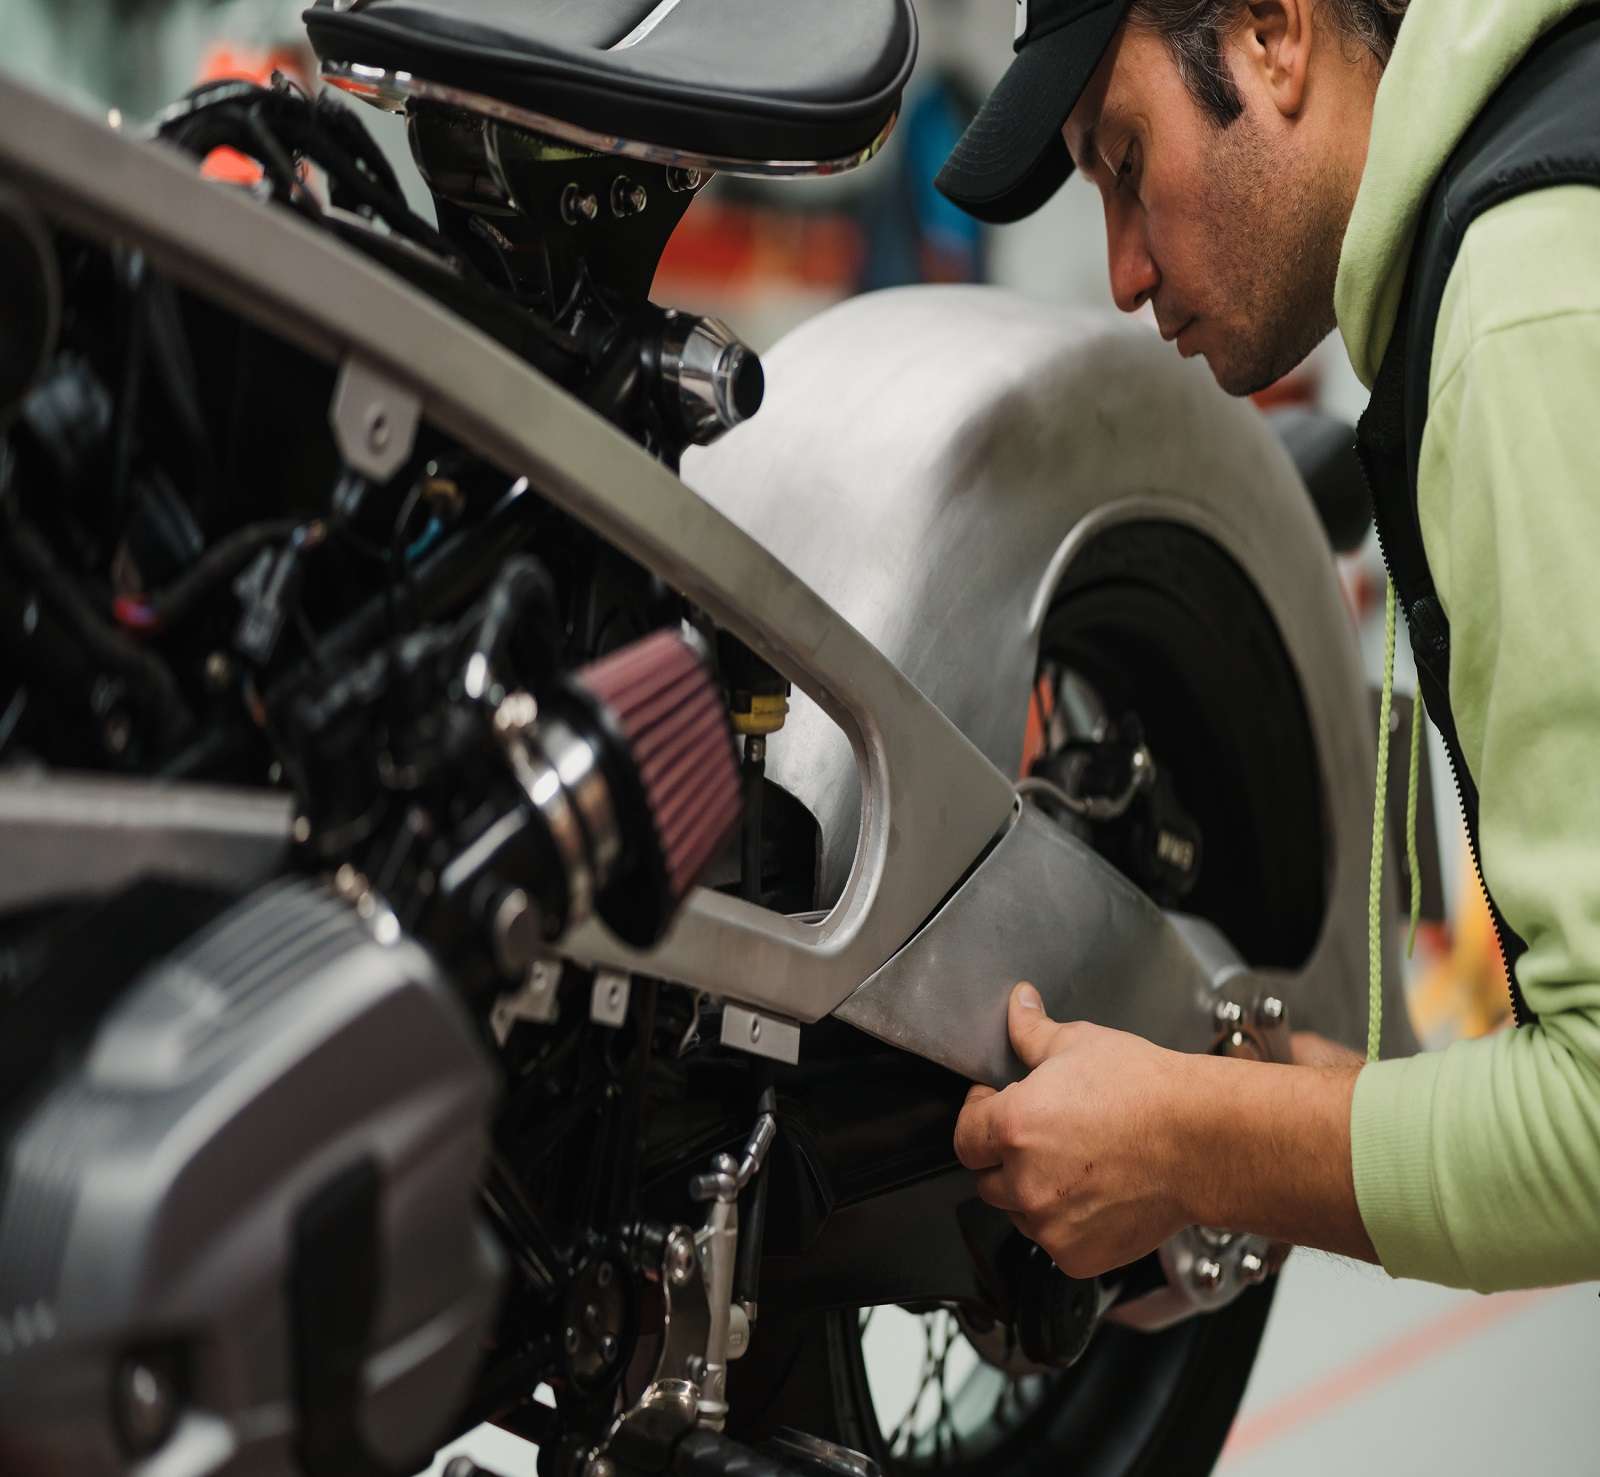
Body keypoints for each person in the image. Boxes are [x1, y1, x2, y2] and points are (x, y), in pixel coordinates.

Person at [937, 0, 1600, 1292]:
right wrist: (1289, 1122)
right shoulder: (1542, 175)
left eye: (1125, 164)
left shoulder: (1522, 318)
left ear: (1271, 33)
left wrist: (1197, 1147)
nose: (1124, 270)